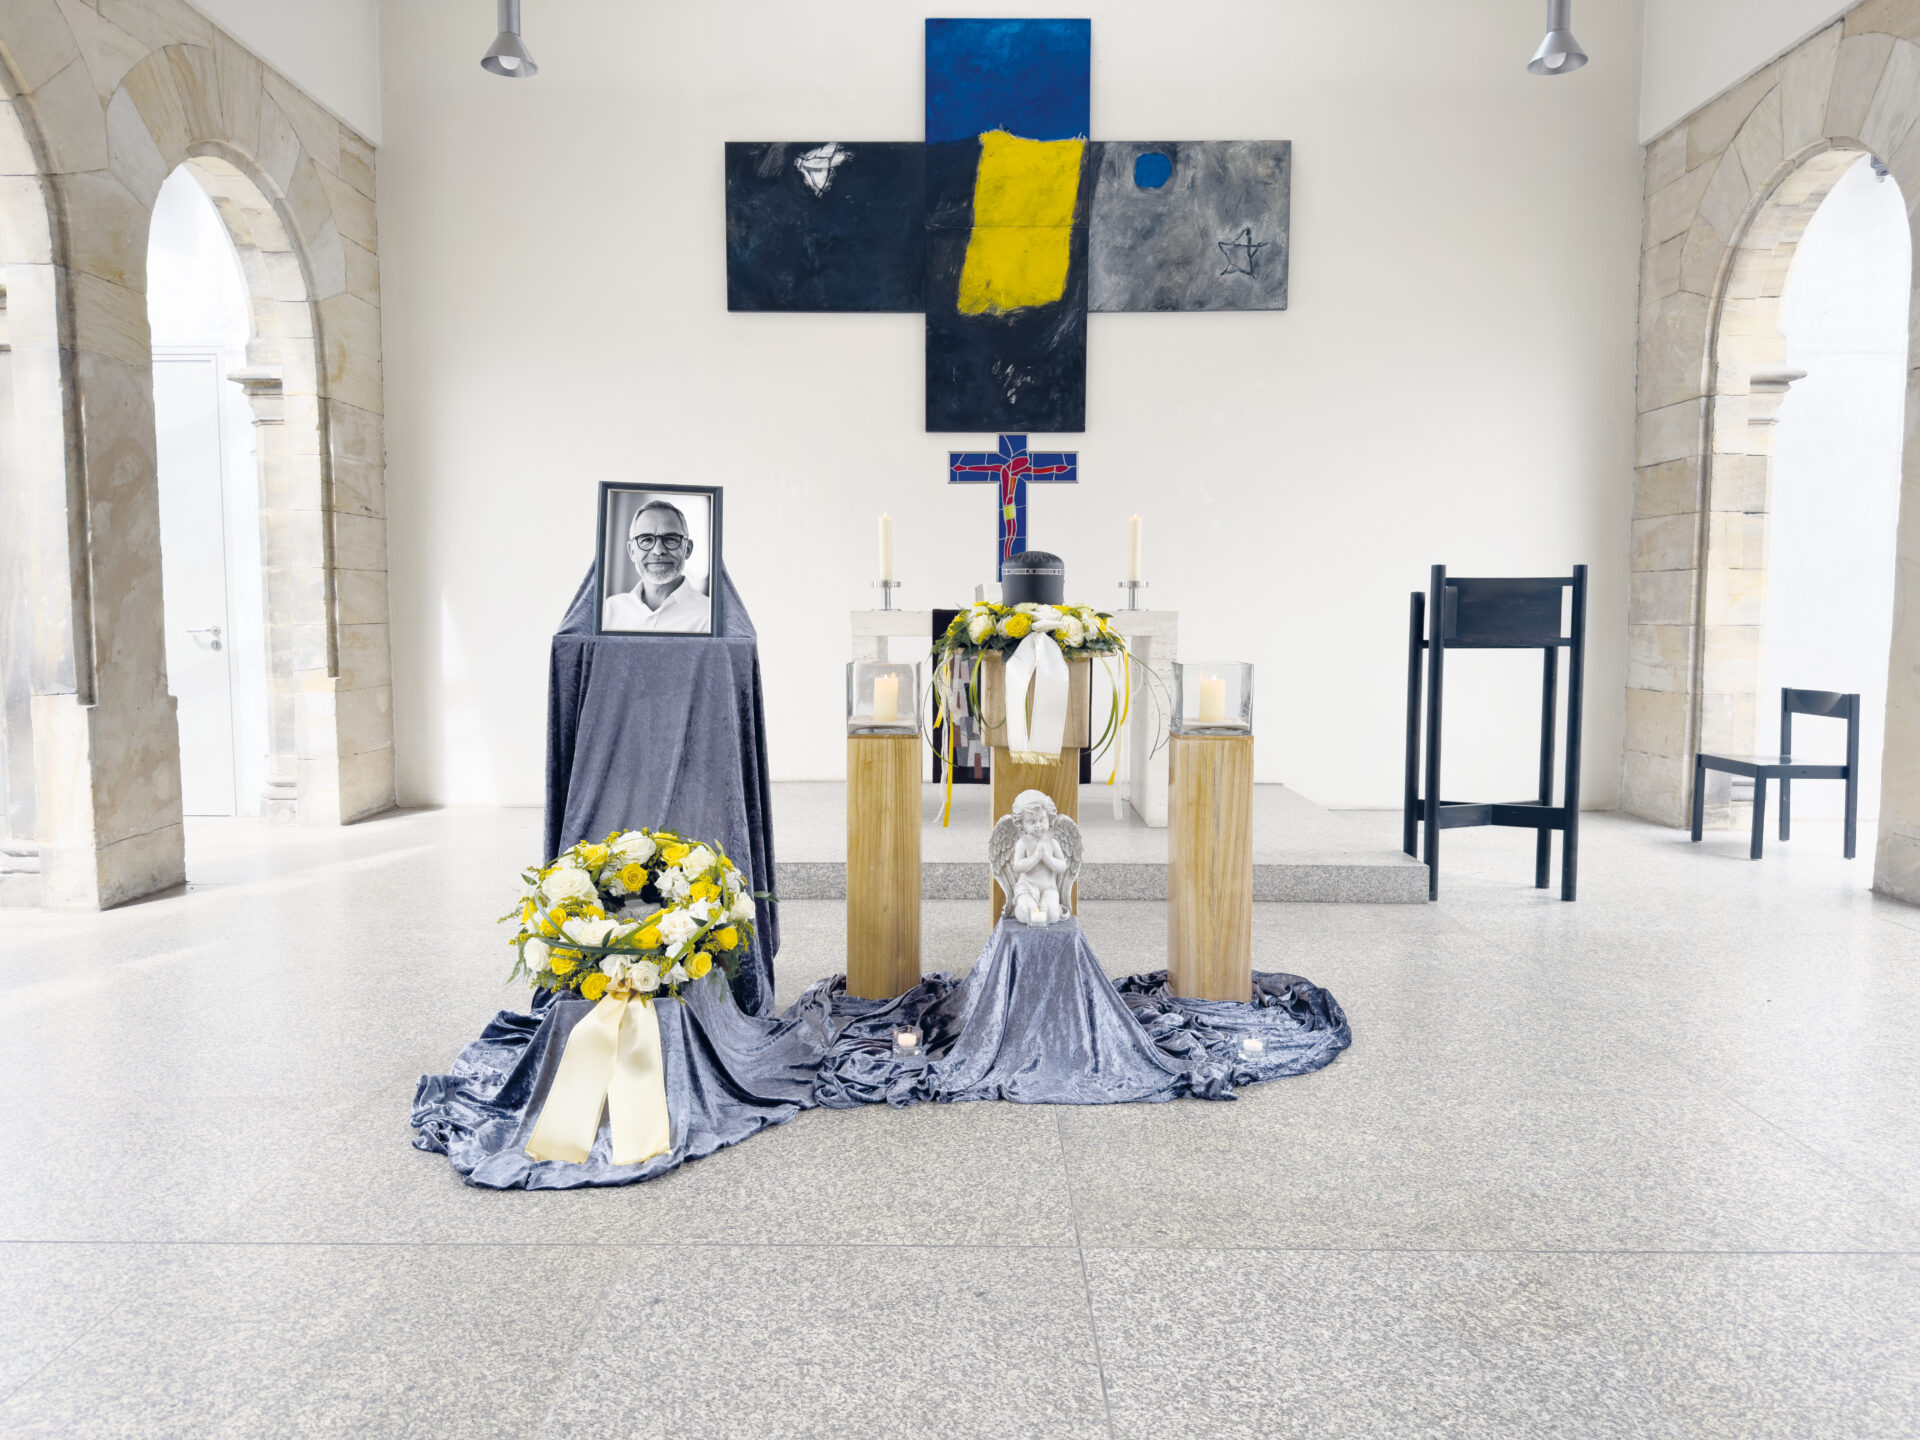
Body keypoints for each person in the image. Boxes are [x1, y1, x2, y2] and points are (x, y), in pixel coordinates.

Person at [602, 498, 710, 633]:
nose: (658, 551)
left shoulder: (710, 616)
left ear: (687, 549)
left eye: (670, 539)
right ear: (632, 551)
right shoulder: (608, 611)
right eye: (646, 539)